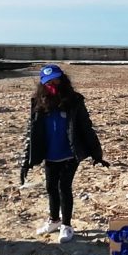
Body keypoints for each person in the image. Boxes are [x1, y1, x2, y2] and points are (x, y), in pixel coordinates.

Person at [20, 65, 109, 244]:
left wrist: (97, 154)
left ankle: (67, 225)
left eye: (55, 79)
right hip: (50, 154)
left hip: (69, 153)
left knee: (64, 188)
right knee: (50, 187)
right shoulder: (38, 101)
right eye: (48, 82)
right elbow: (33, 132)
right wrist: (27, 160)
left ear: (62, 79)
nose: (53, 84)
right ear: (43, 84)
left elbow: (86, 127)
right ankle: (54, 220)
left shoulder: (74, 101)